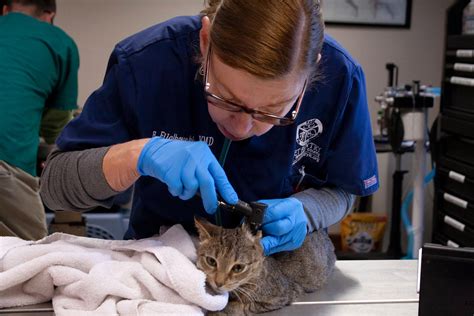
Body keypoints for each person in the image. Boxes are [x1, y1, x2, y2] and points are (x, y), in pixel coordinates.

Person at [40, 0, 378, 255]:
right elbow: (55, 187)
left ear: (312, 73)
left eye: (273, 112)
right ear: (205, 41)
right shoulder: (146, 62)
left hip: (266, 270)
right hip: (157, 263)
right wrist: (139, 155)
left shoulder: (341, 77)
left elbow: (346, 189)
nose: (244, 127)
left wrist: (308, 212)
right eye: (227, 99)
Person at [0, 0, 79, 240]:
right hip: (7, 162)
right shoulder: (58, 40)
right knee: (33, 260)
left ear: (5, 9)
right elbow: (58, 123)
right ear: (49, 15)